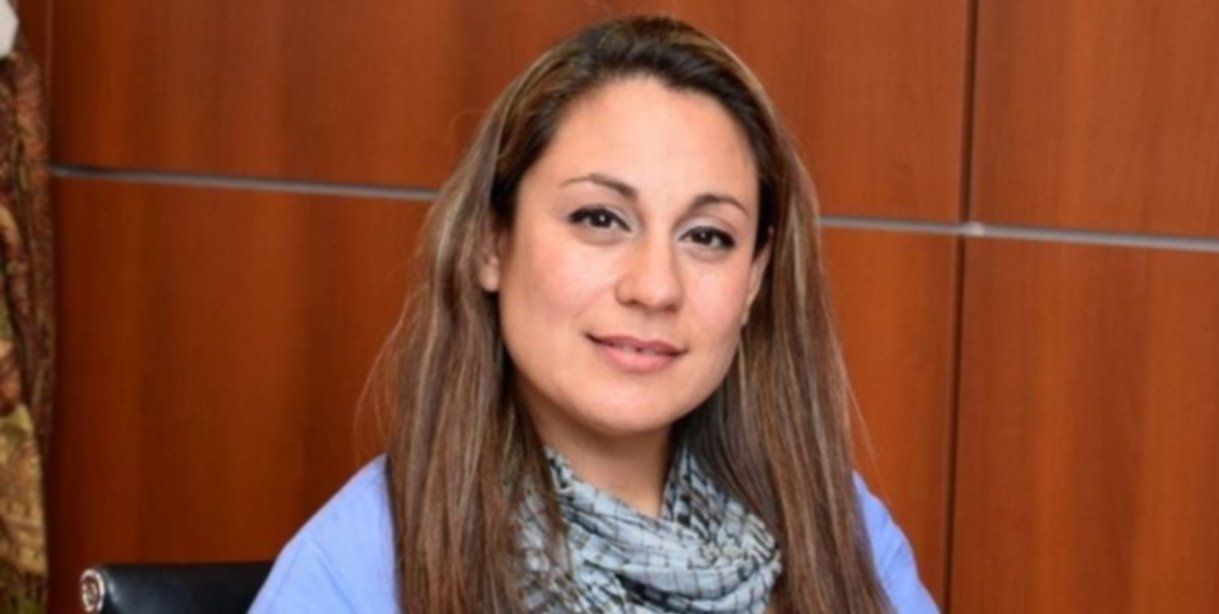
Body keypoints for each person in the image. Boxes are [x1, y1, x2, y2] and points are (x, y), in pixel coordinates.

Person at [249, 14, 936, 614]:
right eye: (600, 218)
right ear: (490, 241)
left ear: (755, 276)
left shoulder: (841, 531)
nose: (654, 287)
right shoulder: (358, 565)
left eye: (707, 236)